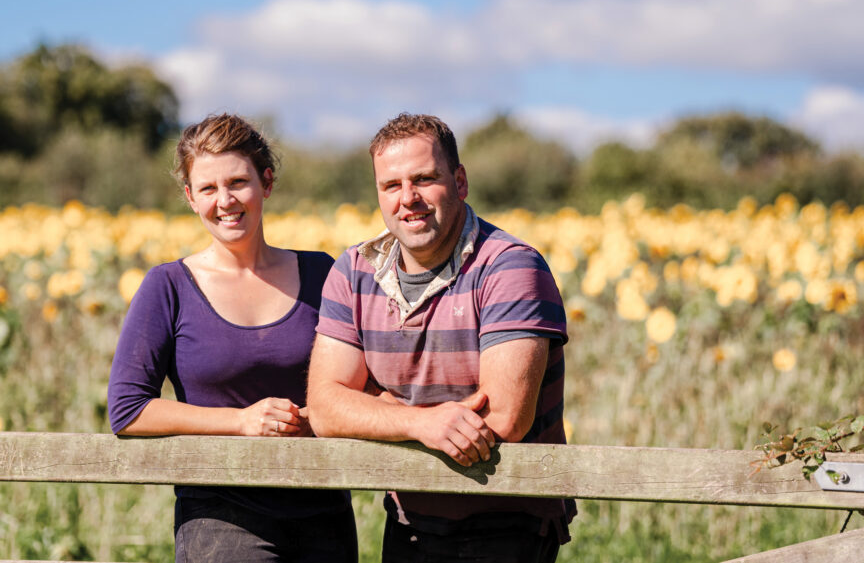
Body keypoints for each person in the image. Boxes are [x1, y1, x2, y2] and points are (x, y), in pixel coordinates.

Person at [307, 113, 574, 562]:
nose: (407, 198)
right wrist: (421, 423)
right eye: (391, 185)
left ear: (460, 181)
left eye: (425, 179)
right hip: (409, 516)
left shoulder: (510, 267)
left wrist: (380, 406)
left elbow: (503, 419)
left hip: (506, 517)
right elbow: (325, 408)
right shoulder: (353, 270)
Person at [107, 113, 356, 563]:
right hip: (221, 521)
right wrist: (240, 421)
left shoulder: (323, 272)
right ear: (190, 197)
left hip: (323, 510)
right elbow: (128, 410)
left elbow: (361, 380)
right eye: (207, 188)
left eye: (238, 182)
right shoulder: (169, 286)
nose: (225, 201)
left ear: (267, 182)